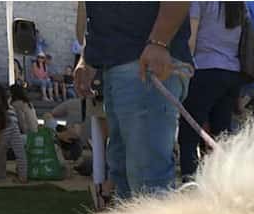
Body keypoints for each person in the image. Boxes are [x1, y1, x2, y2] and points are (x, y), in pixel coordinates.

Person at [75, 2, 192, 198]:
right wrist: (87, 59)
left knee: (148, 182)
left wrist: (159, 42)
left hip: (145, 62)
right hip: (120, 65)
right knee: (125, 177)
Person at [178, 2, 244, 180]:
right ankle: (219, 182)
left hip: (204, 68)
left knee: (189, 134)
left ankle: (188, 183)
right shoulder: (239, 4)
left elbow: (190, 39)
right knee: (220, 136)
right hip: (232, 72)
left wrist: (184, 71)